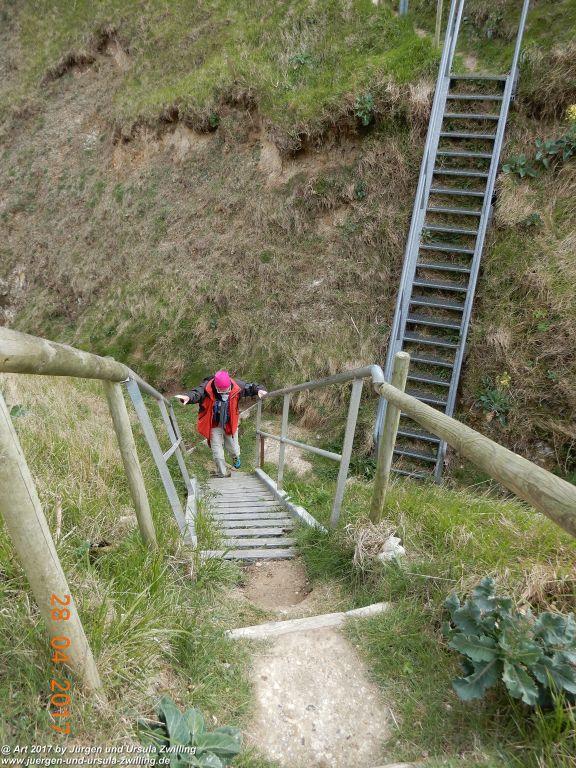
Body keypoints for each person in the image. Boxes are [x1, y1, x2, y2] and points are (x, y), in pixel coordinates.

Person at [174, 370, 267, 477]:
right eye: (221, 390)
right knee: (216, 449)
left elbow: (250, 387)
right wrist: (188, 397)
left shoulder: (237, 385)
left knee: (233, 448)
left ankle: (235, 457)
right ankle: (222, 472)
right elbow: (196, 393)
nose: (224, 393)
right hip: (213, 424)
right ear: (215, 386)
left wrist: (259, 389)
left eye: (227, 390)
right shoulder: (207, 387)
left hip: (230, 423)